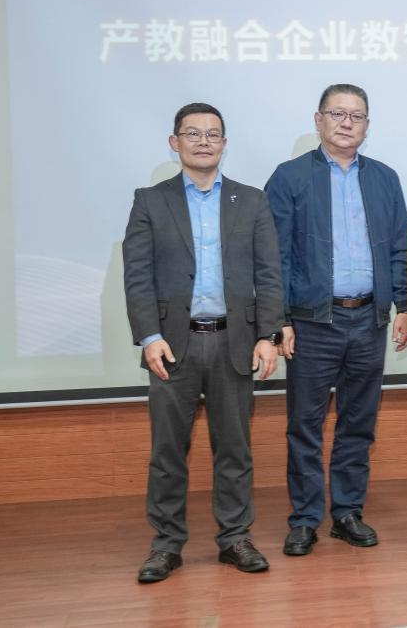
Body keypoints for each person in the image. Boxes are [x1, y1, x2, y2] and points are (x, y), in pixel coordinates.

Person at [123, 102, 284, 583]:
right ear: (174, 143)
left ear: (224, 144)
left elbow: (269, 274)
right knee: (168, 451)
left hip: (234, 342)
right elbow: (137, 276)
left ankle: (235, 538)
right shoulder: (150, 201)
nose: (203, 142)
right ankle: (166, 544)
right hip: (173, 345)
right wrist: (149, 335)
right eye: (192, 133)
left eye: (213, 134)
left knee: (234, 448)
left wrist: (268, 335)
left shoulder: (251, 201)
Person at [264, 83, 407, 557]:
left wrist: (404, 305)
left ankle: (347, 512)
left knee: (358, 423)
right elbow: (274, 257)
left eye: (357, 116)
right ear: (318, 120)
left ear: (367, 125)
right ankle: (306, 519)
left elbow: (399, 248)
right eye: (337, 113)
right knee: (304, 425)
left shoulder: (384, 178)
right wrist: (279, 319)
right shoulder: (289, 177)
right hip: (312, 324)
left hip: (368, 320)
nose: (347, 123)